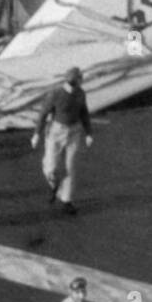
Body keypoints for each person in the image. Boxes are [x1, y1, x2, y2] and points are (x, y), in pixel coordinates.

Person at [33, 66, 92, 214]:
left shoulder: (81, 94)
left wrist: (89, 133)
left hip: (74, 131)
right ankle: (55, 186)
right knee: (50, 167)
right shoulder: (55, 94)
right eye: (78, 80)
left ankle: (67, 200)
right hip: (56, 131)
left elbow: (84, 112)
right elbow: (43, 113)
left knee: (70, 167)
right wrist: (36, 134)